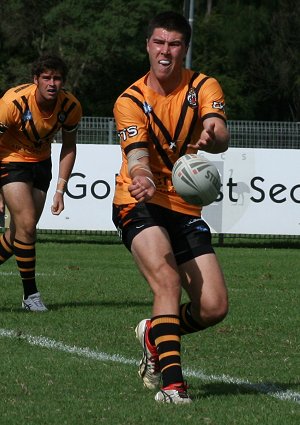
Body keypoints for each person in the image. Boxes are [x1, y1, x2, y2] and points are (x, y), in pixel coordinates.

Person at [112, 11, 230, 404]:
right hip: (138, 198)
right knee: (167, 280)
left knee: (213, 306)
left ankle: (153, 333)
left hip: (184, 204)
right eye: (159, 42)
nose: (166, 51)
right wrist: (142, 175)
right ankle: (173, 386)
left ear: (185, 48)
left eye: (174, 44)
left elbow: (219, 133)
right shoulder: (130, 100)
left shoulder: (202, 85)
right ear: (148, 45)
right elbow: (137, 155)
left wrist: (210, 138)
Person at [0, 54, 82, 311]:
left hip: (41, 163)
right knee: (25, 225)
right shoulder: (12, 102)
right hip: (9, 159)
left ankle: (29, 296)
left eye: (57, 78)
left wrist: (60, 189)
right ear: (36, 80)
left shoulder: (70, 107)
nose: (52, 83)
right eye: (46, 78)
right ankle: (30, 295)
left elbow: (69, 148)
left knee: (20, 234)